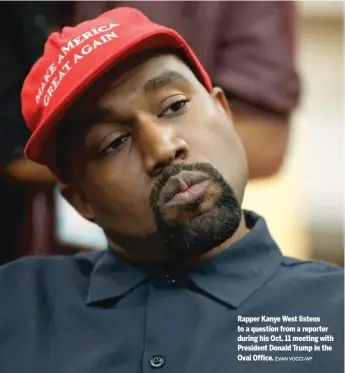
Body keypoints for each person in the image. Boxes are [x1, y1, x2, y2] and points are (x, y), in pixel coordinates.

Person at [0, 8, 342, 372]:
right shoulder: (17, 308)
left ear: (223, 110)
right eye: (114, 142)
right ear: (83, 201)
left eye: (175, 106)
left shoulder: (331, 314)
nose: (162, 148)